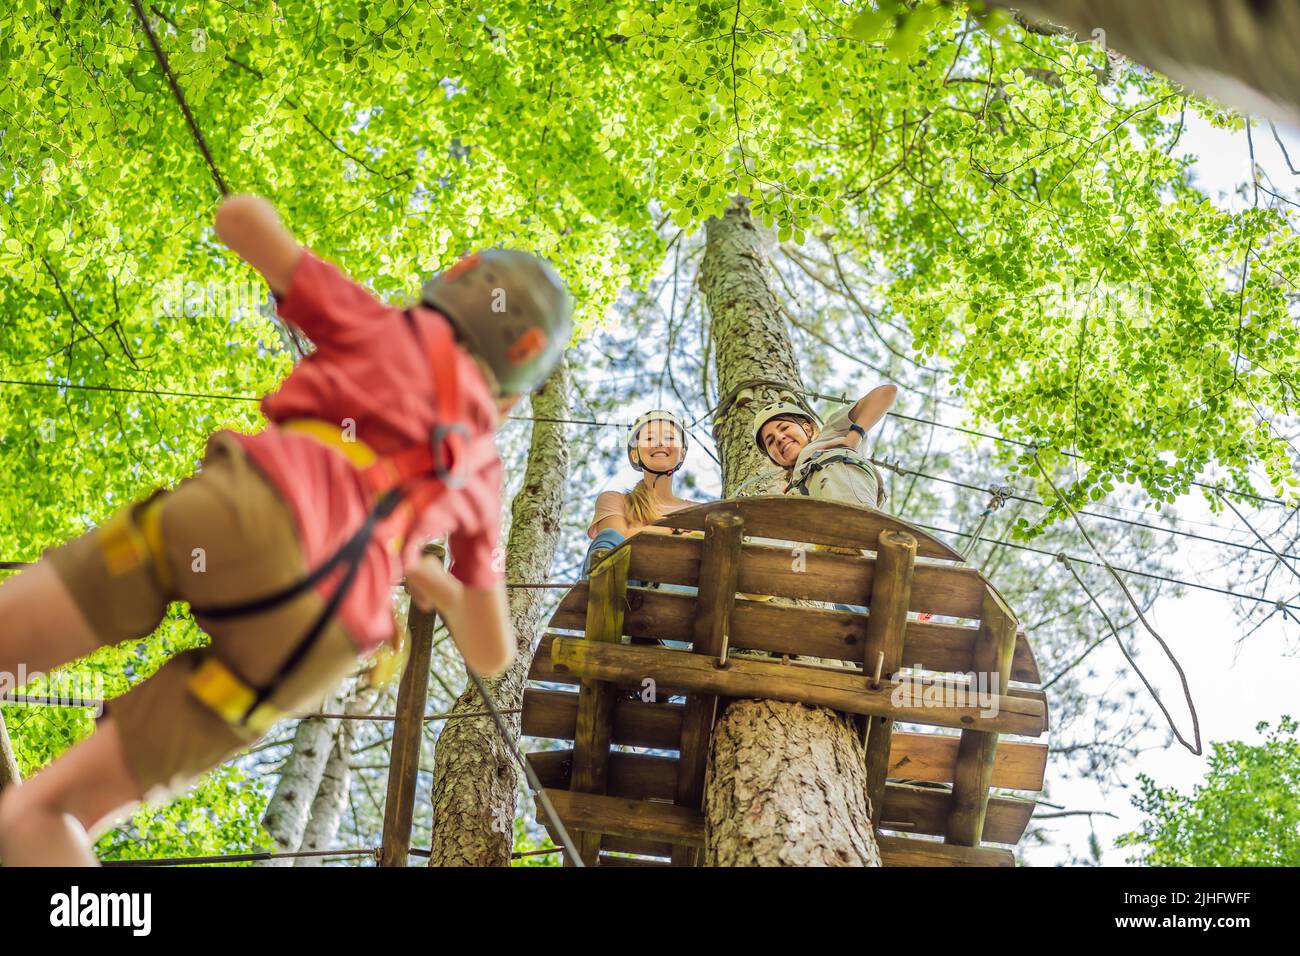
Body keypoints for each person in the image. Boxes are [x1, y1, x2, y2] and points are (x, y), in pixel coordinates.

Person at [0, 193, 572, 866]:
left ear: (441, 296)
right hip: (314, 645)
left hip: (244, 517)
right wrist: (431, 581)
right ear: (507, 396)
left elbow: (240, 223)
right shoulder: (480, 473)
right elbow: (490, 651)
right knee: (48, 815)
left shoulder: (381, 325)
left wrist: (262, 230)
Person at [583, 409, 699, 575]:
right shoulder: (615, 501)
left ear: (682, 454)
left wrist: (644, 532)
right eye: (650, 438)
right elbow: (616, 540)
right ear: (635, 455)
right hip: (627, 582)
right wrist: (675, 531)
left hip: (680, 584)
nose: (659, 443)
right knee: (609, 536)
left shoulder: (700, 511)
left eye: (670, 438)